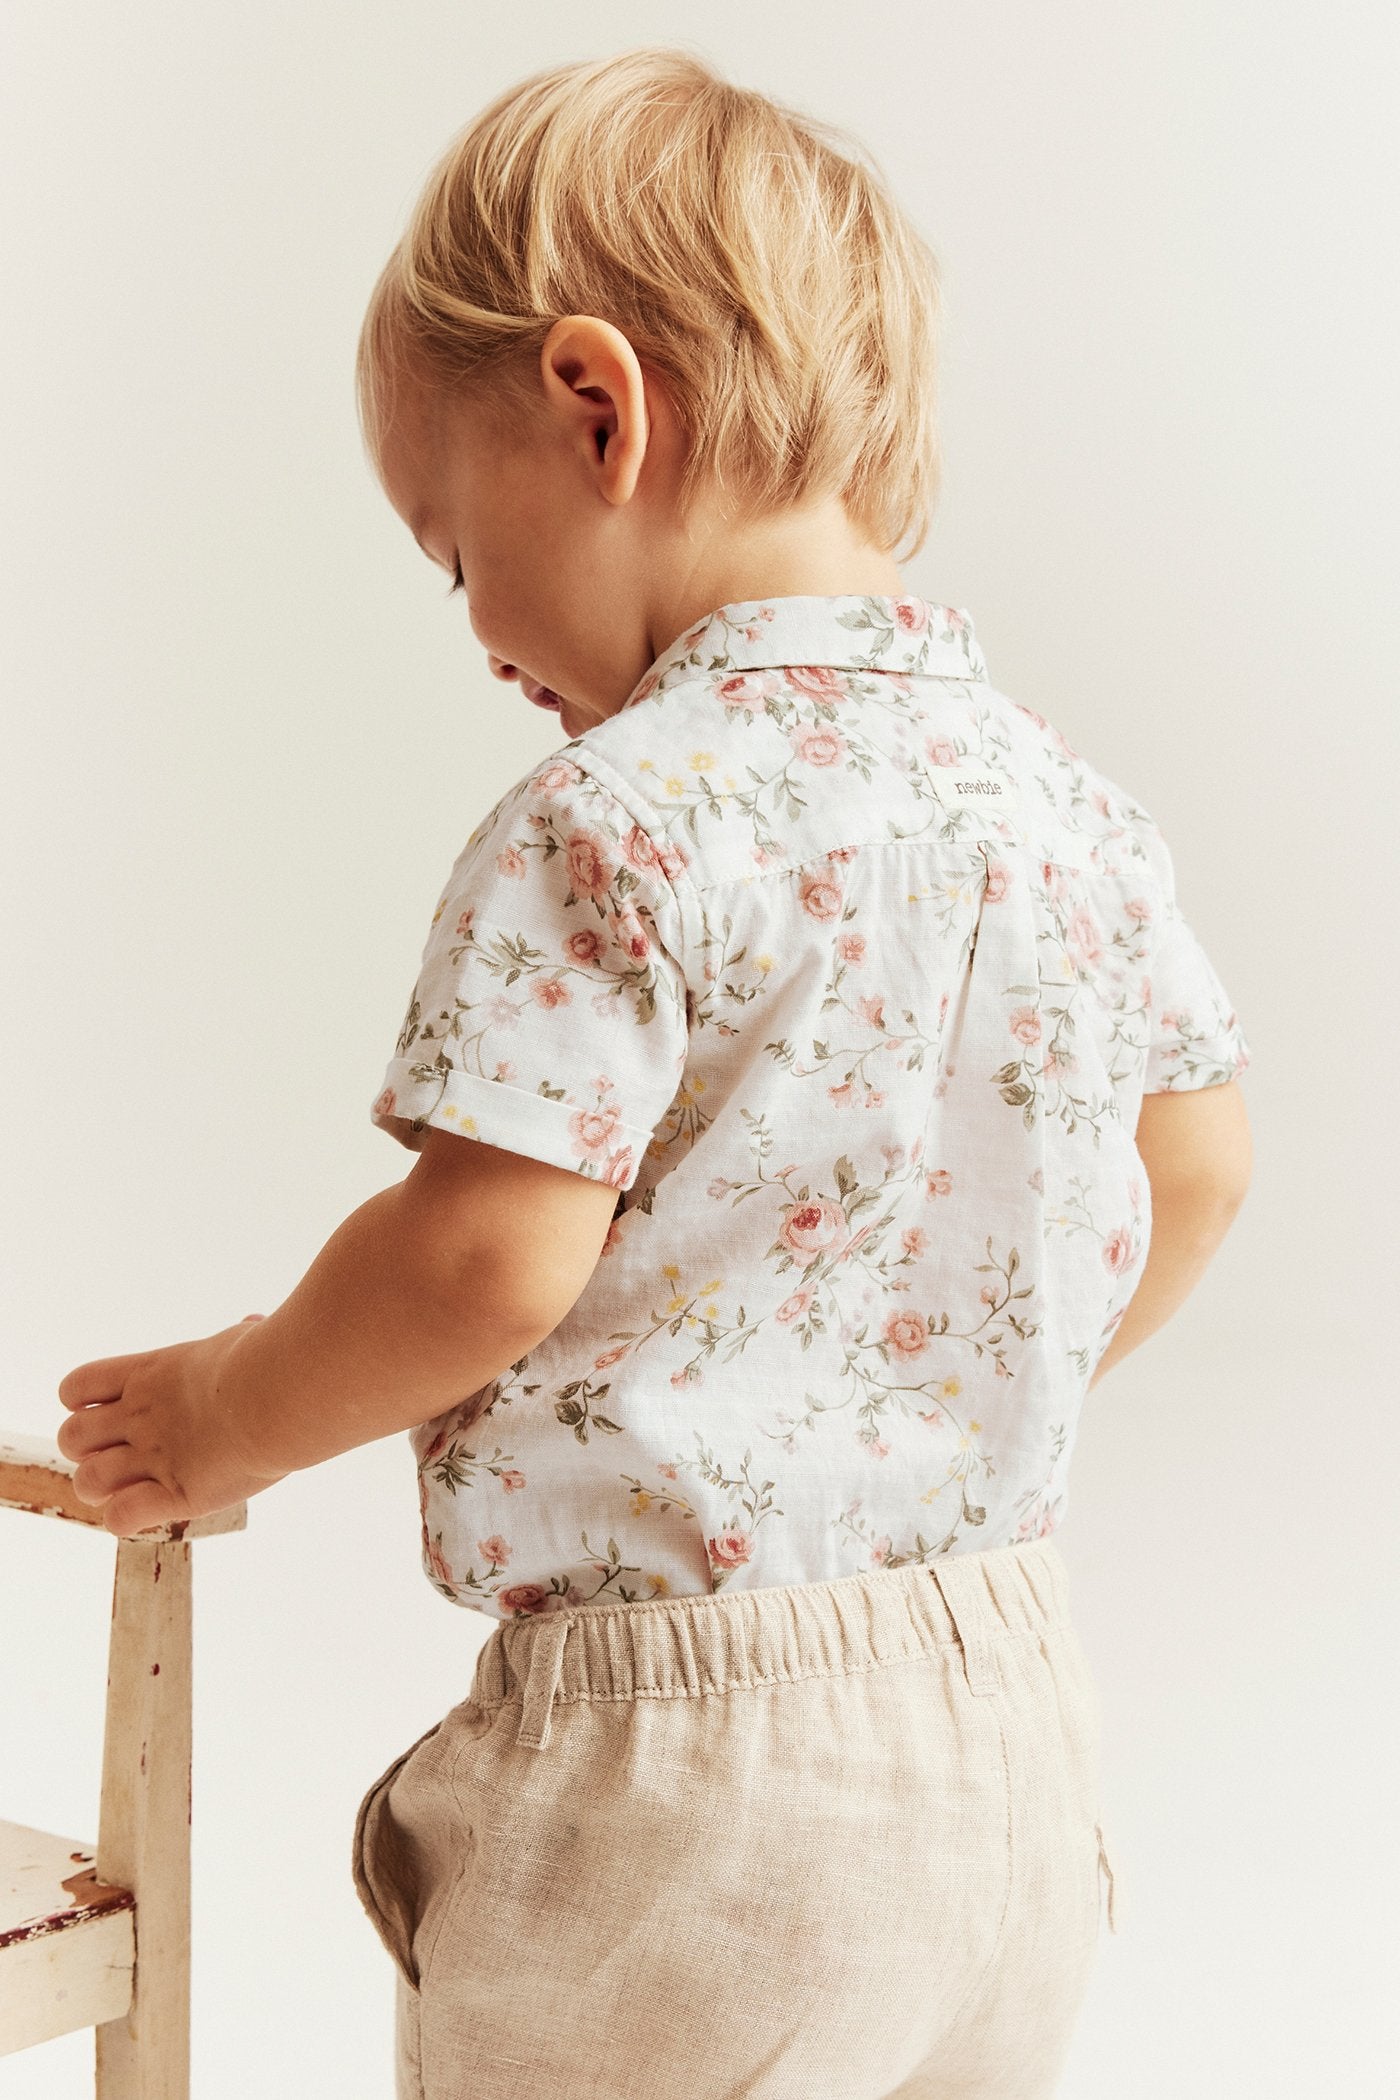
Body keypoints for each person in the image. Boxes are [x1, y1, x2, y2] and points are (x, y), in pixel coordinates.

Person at [56, 43, 1254, 2100]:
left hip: (686, 1777)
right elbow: (1201, 1167)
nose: (471, 625)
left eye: (449, 547)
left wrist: (233, 1409)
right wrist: (905, 1401)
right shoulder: (1062, 806)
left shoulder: (613, 816)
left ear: (593, 409)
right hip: (1007, 1733)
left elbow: (484, 1264)